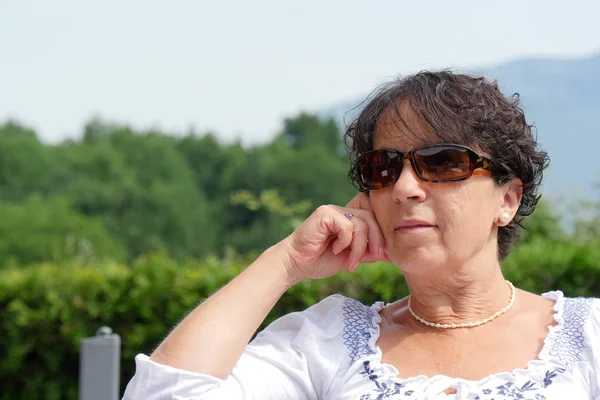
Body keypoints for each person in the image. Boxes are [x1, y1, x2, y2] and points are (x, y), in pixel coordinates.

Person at [122, 71, 600, 400]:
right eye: (384, 167)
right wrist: (286, 262)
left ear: (507, 199)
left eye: (442, 162)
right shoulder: (326, 343)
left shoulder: (588, 339)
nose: (406, 187)